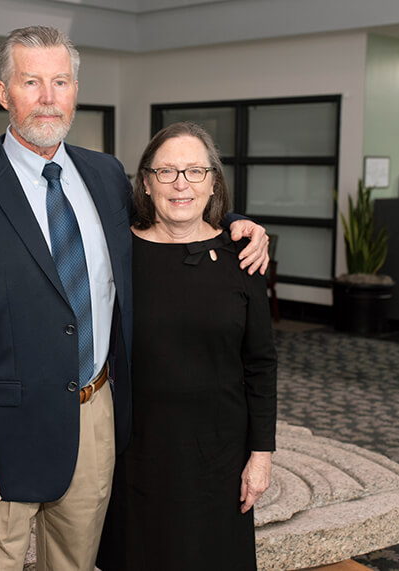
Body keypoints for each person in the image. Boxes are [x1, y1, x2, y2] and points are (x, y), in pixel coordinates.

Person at [0, 26, 270, 571]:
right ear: (3, 92)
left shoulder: (104, 176)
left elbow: (174, 218)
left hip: (96, 418)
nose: (47, 96)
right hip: (4, 435)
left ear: (76, 91)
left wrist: (239, 225)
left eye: (60, 81)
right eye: (30, 81)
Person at [97, 122, 278, 571]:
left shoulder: (244, 259)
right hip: (136, 455)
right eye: (167, 172)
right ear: (145, 181)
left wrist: (261, 456)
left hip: (219, 456)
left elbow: (260, 364)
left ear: (213, 182)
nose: (181, 184)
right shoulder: (116, 254)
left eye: (195, 171)